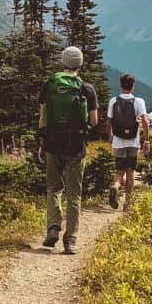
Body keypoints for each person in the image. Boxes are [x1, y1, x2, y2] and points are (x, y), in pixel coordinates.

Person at [38, 46, 99, 254]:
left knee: (53, 188)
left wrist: (42, 142)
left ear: (62, 62)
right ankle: (70, 240)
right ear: (80, 64)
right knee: (74, 194)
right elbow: (94, 120)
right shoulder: (86, 88)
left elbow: (43, 118)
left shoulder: (50, 84)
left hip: (53, 144)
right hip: (76, 147)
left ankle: (53, 228)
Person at [107, 72, 150, 212]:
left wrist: (110, 135)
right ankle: (127, 203)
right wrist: (147, 140)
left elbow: (109, 120)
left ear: (120, 85)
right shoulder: (139, 102)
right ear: (133, 86)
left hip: (118, 141)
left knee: (119, 170)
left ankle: (115, 186)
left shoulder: (113, 101)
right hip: (133, 141)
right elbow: (144, 121)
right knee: (130, 172)